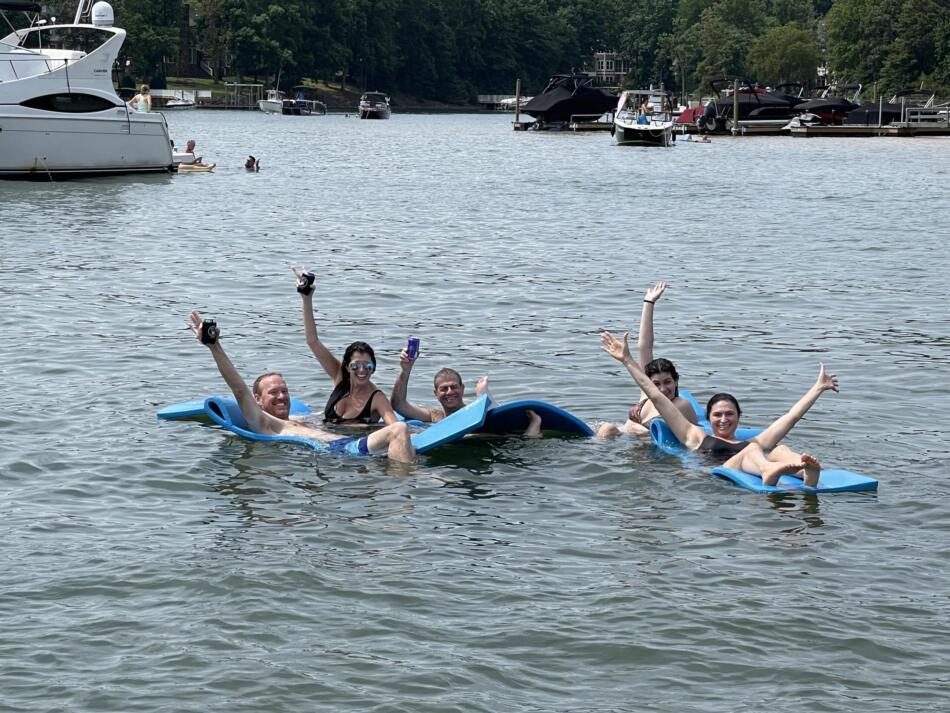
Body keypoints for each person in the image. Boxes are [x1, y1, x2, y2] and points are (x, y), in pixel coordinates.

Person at [600, 330, 838, 487]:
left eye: (729, 414)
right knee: (753, 451)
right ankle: (769, 470)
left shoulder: (755, 440)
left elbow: (792, 416)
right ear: (708, 418)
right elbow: (656, 396)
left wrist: (818, 388)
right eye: (718, 415)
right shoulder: (695, 436)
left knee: (779, 448)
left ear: (738, 417)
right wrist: (627, 361)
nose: (724, 419)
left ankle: (806, 473)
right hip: (717, 472)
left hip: (753, 462)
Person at [188, 310, 416, 462]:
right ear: (257, 400)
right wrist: (214, 346)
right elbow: (239, 389)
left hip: (345, 446)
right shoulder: (264, 422)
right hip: (343, 451)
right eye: (273, 392)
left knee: (401, 430)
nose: (281, 397)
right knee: (399, 430)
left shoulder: (297, 419)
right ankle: (404, 491)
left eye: (284, 391)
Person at [294, 268, 408, 430]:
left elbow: (395, 427)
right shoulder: (340, 376)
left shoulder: (377, 398)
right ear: (347, 367)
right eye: (356, 366)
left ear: (373, 368)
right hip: (325, 441)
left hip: (356, 451)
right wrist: (307, 299)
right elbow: (312, 341)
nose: (362, 370)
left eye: (368, 366)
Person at [597, 282, 698, 438]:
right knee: (606, 428)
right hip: (624, 442)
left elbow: (662, 433)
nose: (663, 389)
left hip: (647, 451)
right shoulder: (647, 395)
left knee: (608, 429)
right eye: (656, 384)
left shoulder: (681, 405)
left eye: (667, 382)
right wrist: (648, 302)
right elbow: (645, 347)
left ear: (676, 381)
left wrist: (633, 429)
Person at [389, 348, 542, 436]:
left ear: (462, 389)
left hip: (490, 441)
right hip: (462, 444)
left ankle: (488, 402)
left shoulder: (473, 412)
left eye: (454, 387)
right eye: (444, 389)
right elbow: (399, 404)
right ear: (435, 393)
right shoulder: (434, 416)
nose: (450, 392)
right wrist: (405, 370)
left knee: (526, 440)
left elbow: (502, 421)